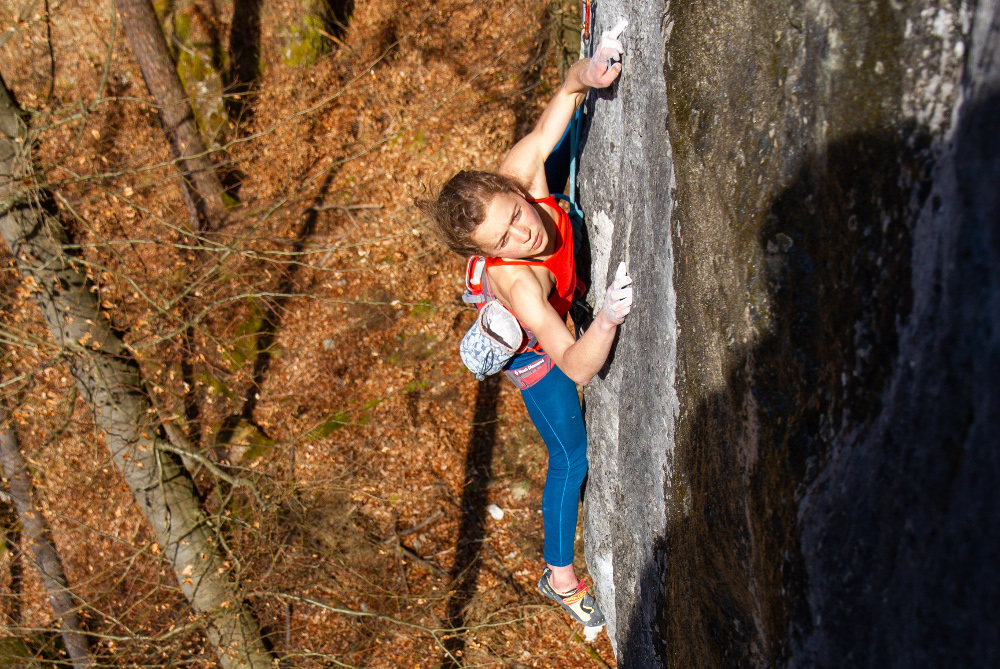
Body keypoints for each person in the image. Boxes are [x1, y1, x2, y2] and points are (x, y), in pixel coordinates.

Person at [418, 24, 632, 628]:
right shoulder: (521, 283)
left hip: (549, 258)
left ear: (512, 187)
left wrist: (587, 73)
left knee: (559, 142)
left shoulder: (520, 172)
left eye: (514, 215)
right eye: (503, 240)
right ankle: (559, 577)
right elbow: (578, 364)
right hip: (534, 352)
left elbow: (558, 104)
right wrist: (610, 317)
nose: (523, 234)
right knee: (572, 455)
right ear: (489, 253)